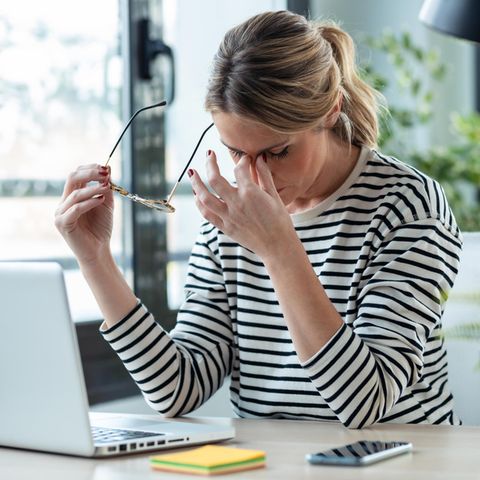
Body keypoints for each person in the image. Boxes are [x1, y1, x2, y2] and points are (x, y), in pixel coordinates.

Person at [55, 10, 463, 428]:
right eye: (235, 152)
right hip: (269, 464)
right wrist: (96, 261)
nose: (254, 176)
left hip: (396, 463)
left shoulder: (408, 206)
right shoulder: (231, 217)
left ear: (330, 110)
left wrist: (278, 248)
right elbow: (176, 388)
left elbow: (365, 401)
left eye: (277, 152)